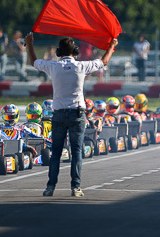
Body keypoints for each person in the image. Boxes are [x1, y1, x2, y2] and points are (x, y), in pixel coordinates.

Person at [25, 32, 118, 198]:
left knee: (56, 153)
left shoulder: (53, 66)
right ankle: (76, 187)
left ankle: (50, 187)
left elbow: (33, 62)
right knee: (76, 152)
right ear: (75, 51)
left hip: (59, 114)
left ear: (58, 53)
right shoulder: (81, 66)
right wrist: (111, 46)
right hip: (77, 114)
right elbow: (103, 62)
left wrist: (29, 43)